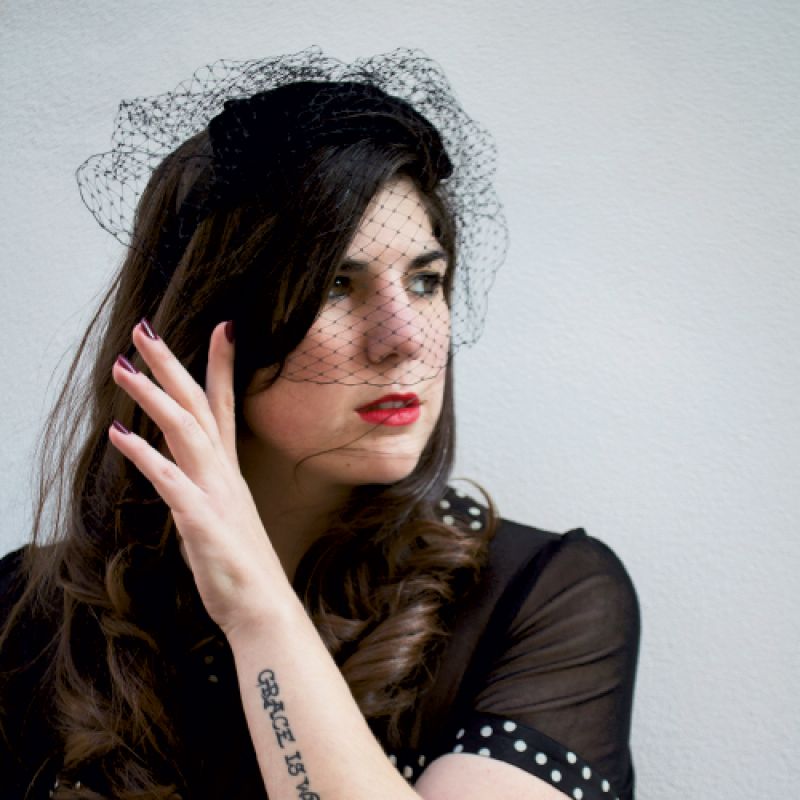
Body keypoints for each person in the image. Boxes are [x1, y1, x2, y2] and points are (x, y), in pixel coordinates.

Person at [0, 49, 639, 800]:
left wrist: (257, 609)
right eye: (337, 283)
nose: (405, 338)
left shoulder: (541, 598)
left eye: (425, 281)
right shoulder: (28, 611)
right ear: (212, 323)